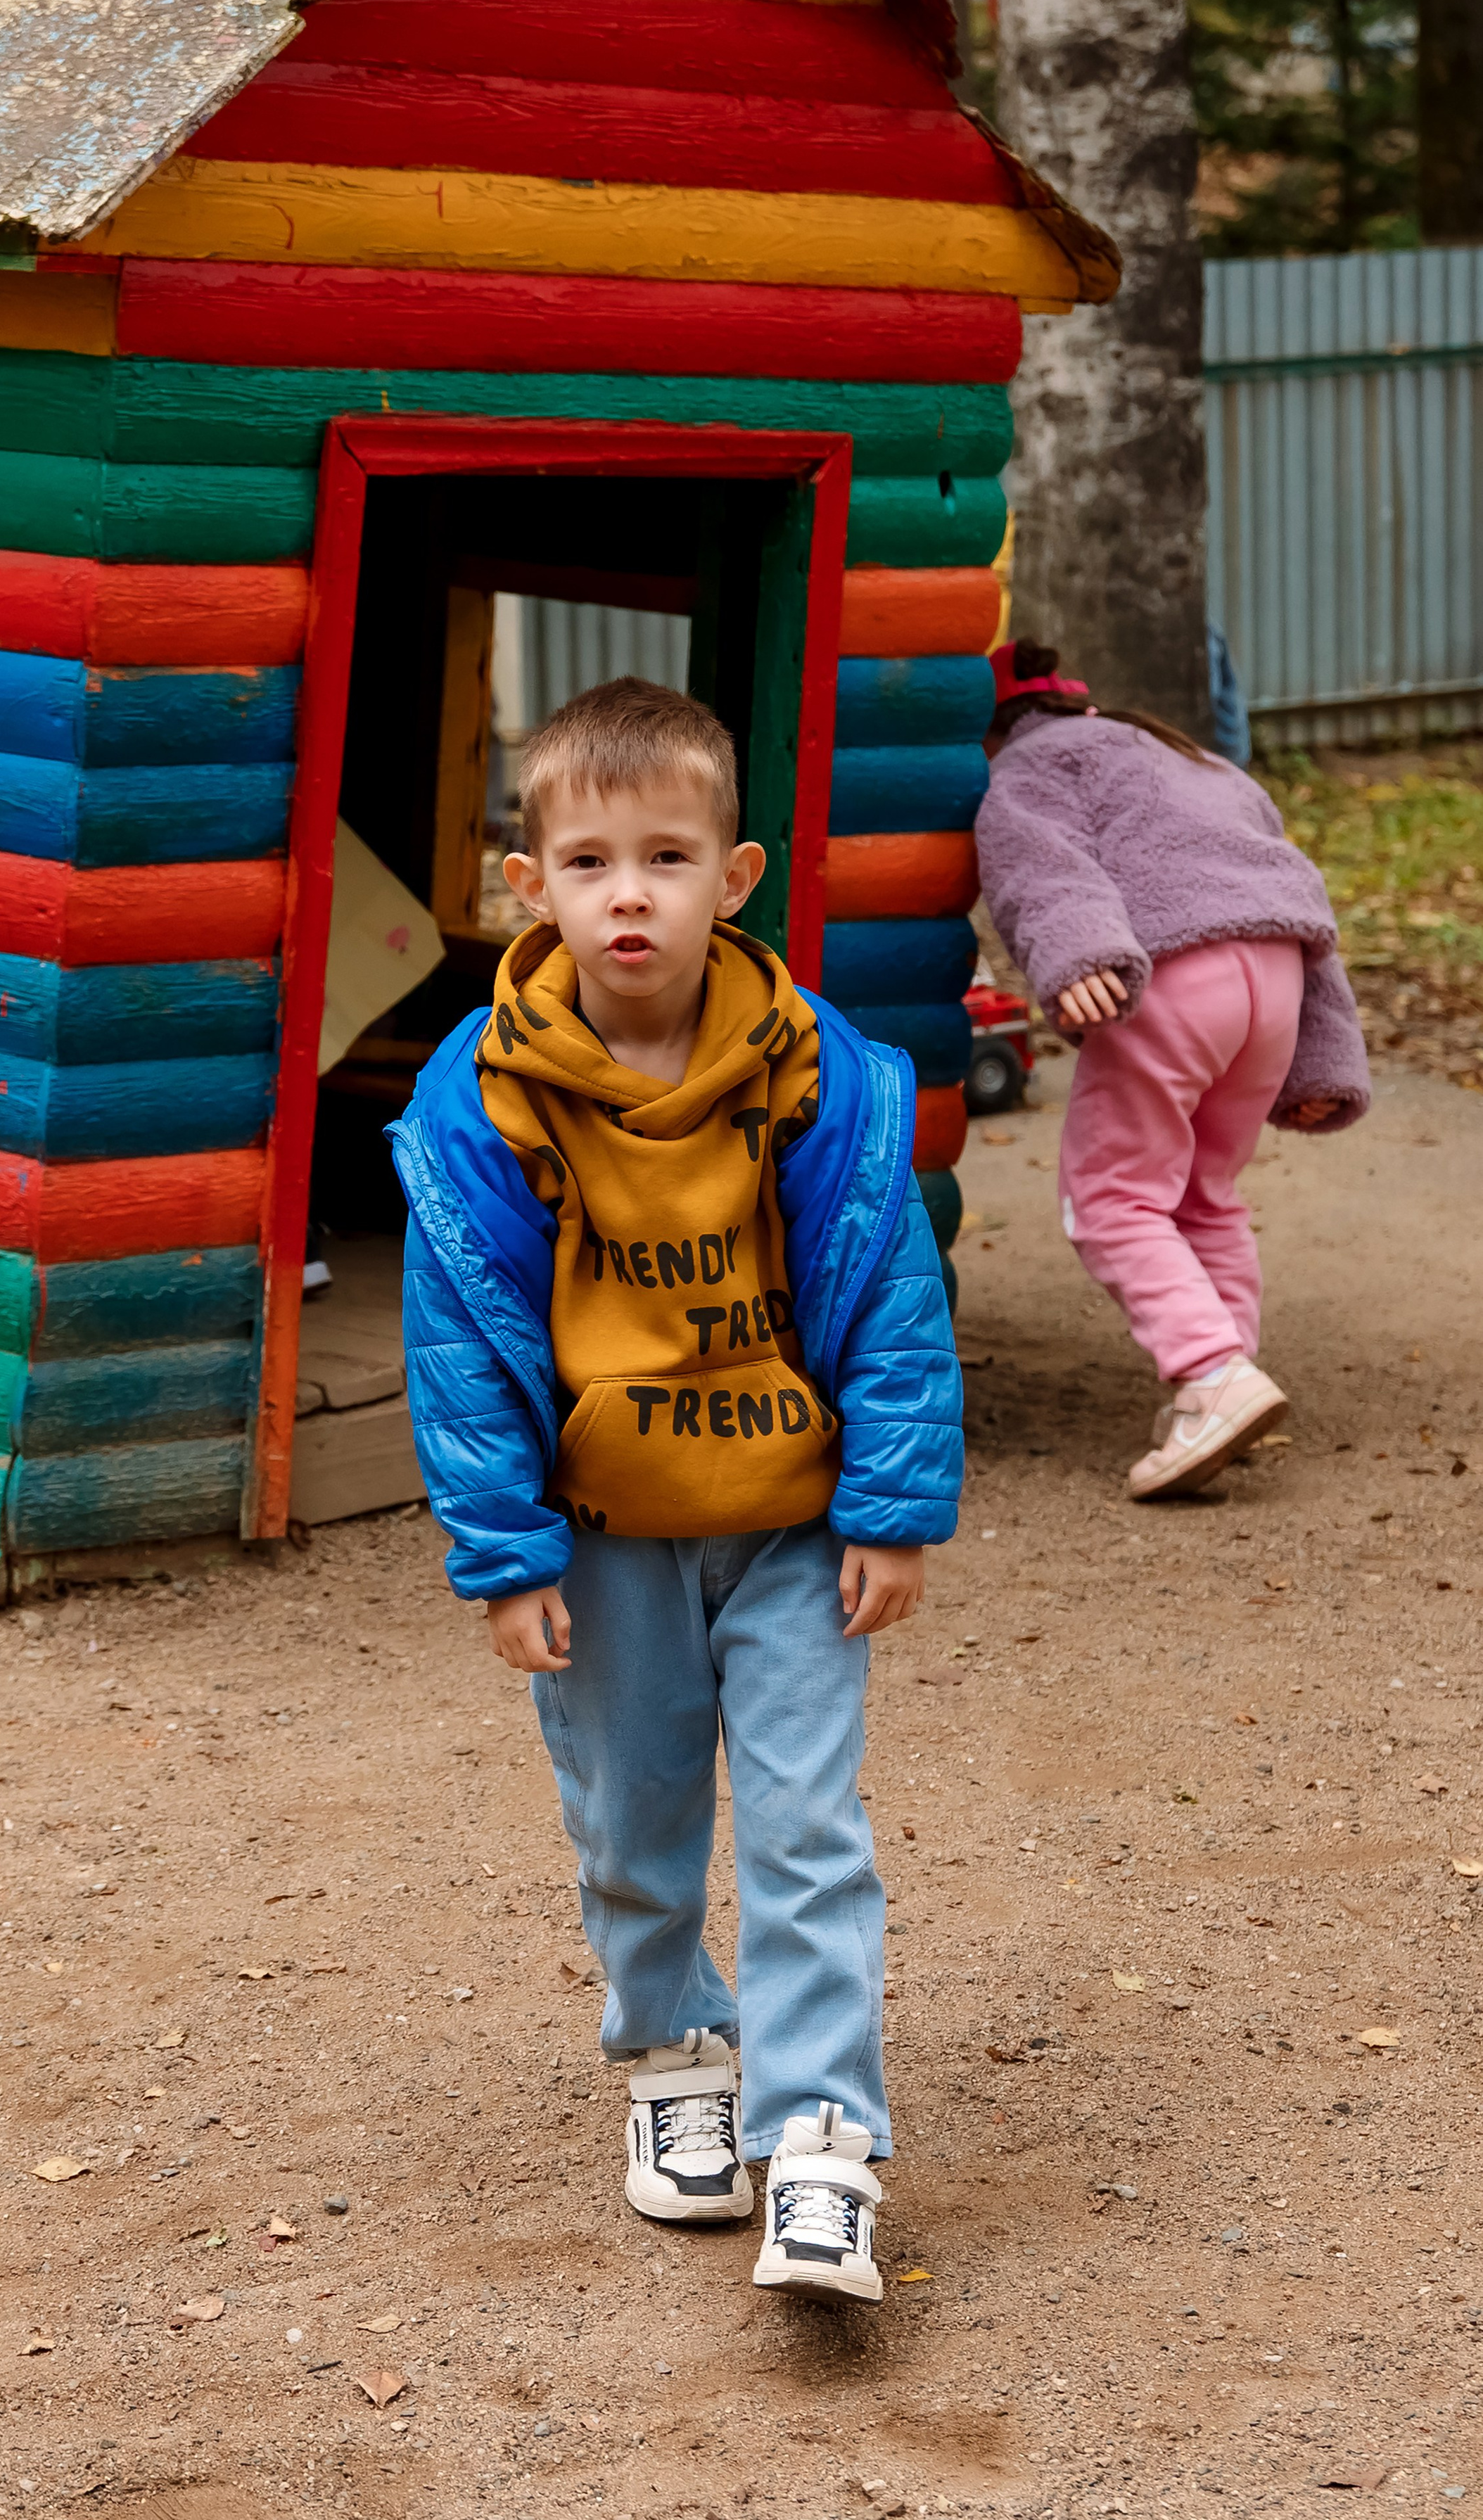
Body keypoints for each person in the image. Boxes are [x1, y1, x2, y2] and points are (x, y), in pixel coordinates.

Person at [390, 678, 962, 2305]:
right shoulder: (486, 1099)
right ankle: (672, 2052)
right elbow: (458, 1340)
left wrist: (890, 1502)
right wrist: (500, 1551)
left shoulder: (812, 1074)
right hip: (604, 1537)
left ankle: (824, 2145)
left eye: (664, 854)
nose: (624, 890)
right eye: (586, 860)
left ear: (738, 872)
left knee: (801, 1825)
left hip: (788, 1531)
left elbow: (888, 1289)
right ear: (529, 886)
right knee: (634, 1820)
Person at [975, 638, 1370, 1502]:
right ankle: (1218, 1391)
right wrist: (1321, 1054)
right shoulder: (1192, 761)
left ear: (994, 732)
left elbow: (1039, 862)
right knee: (1205, 1194)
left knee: (1111, 1193)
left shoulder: (1030, 767)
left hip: (1173, 976)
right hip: (1275, 981)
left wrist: (1077, 958)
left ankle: (1211, 1375)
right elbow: (1292, 889)